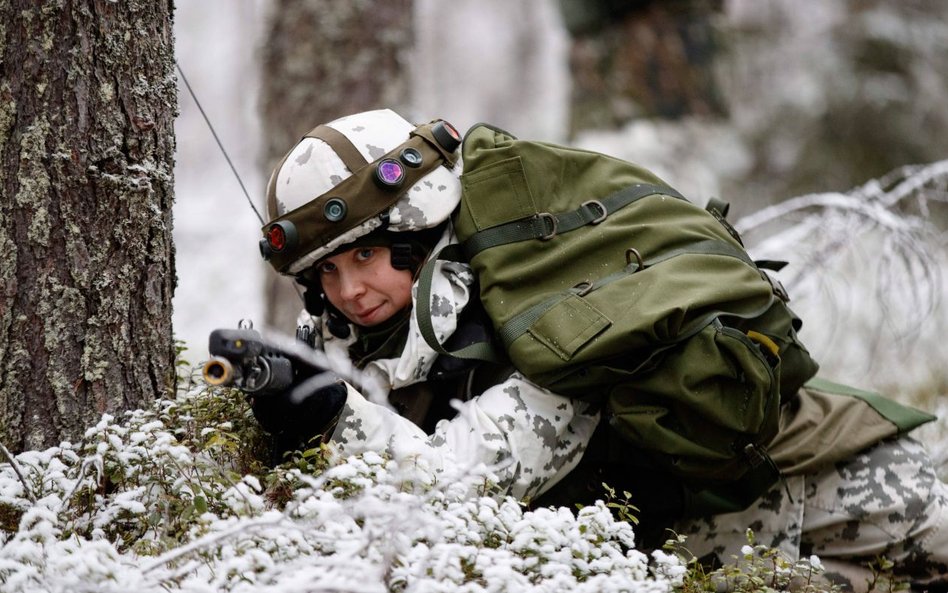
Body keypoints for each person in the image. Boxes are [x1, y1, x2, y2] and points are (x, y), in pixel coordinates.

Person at [249, 108, 948, 592]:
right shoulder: (409, 338)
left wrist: (333, 413)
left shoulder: (545, 318)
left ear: (415, 230)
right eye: (325, 273)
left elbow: (459, 487)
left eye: (365, 254)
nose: (348, 289)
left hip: (852, 503)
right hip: (748, 555)